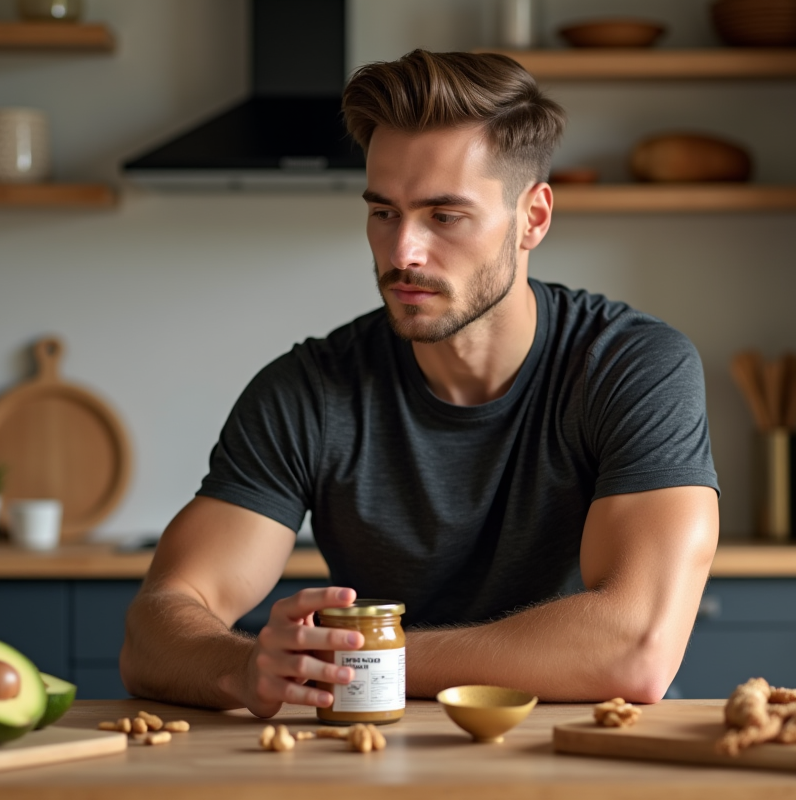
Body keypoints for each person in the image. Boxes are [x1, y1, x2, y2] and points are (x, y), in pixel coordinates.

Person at [121, 50, 720, 718]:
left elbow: (636, 648)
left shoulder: (632, 366)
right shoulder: (310, 391)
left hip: (586, 753)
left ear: (534, 218)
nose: (403, 251)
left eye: (444, 216)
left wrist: (360, 658)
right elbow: (156, 626)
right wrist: (242, 666)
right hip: (374, 754)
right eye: (383, 212)